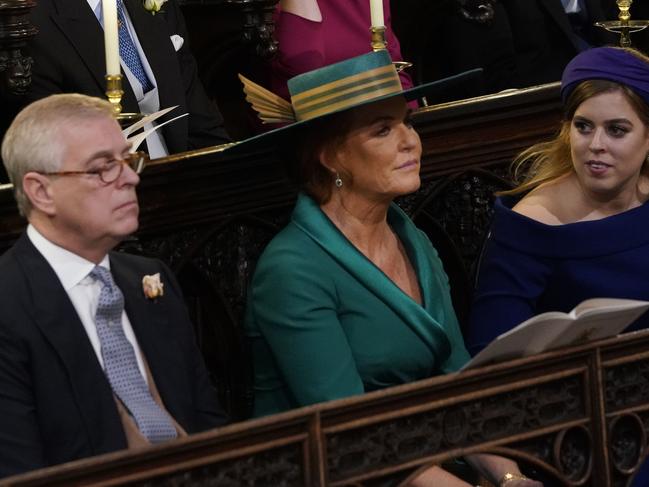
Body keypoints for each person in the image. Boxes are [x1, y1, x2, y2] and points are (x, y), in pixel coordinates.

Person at [242, 50, 540, 486]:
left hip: (431, 463)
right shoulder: (292, 271)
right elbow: (350, 433)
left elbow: (458, 383)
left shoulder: (411, 238)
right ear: (330, 156)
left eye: (409, 122)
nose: (410, 141)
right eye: (383, 130)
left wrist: (510, 479)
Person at [0, 93, 228, 478]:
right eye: (103, 168)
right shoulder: (9, 303)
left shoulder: (148, 278)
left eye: (127, 159)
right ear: (41, 191)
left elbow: (209, 425)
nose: (132, 178)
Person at [467, 46, 649, 356]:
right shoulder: (531, 224)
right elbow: (490, 352)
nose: (596, 145)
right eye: (583, 126)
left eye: (616, 130)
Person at [8, 0, 229, 159]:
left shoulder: (159, 6)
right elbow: (54, 153)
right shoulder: (33, 23)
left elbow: (202, 123)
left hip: (183, 181)